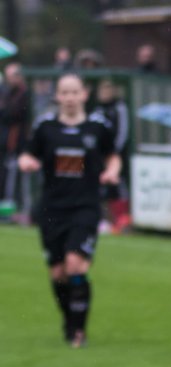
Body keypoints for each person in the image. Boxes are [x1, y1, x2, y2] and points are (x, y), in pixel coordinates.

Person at [17, 73, 121, 347]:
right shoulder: (46, 127)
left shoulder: (98, 127)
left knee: (75, 263)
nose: (70, 97)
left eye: (75, 92)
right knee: (58, 273)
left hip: (85, 206)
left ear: (84, 94)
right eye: (65, 92)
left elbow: (113, 156)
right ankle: (69, 321)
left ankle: (78, 331)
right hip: (52, 208)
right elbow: (28, 153)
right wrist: (26, 162)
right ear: (58, 96)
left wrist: (111, 172)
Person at [94, 79, 131, 232]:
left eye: (108, 90)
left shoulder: (120, 108)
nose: (105, 93)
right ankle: (105, 220)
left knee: (118, 184)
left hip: (116, 155)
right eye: (102, 90)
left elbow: (123, 131)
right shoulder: (97, 110)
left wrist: (114, 151)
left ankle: (122, 219)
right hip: (99, 156)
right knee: (101, 187)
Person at [2, 62, 32, 211]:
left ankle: (25, 209)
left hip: (22, 144)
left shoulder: (25, 94)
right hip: (9, 143)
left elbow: (14, 114)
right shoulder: (8, 92)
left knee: (23, 179)